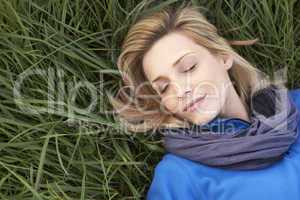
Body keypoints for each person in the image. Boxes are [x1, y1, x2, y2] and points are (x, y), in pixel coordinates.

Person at [108, 3, 300, 200]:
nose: (181, 91)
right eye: (164, 88)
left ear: (223, 56)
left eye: (189, 67)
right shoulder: (178, 175)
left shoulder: (295, 104)